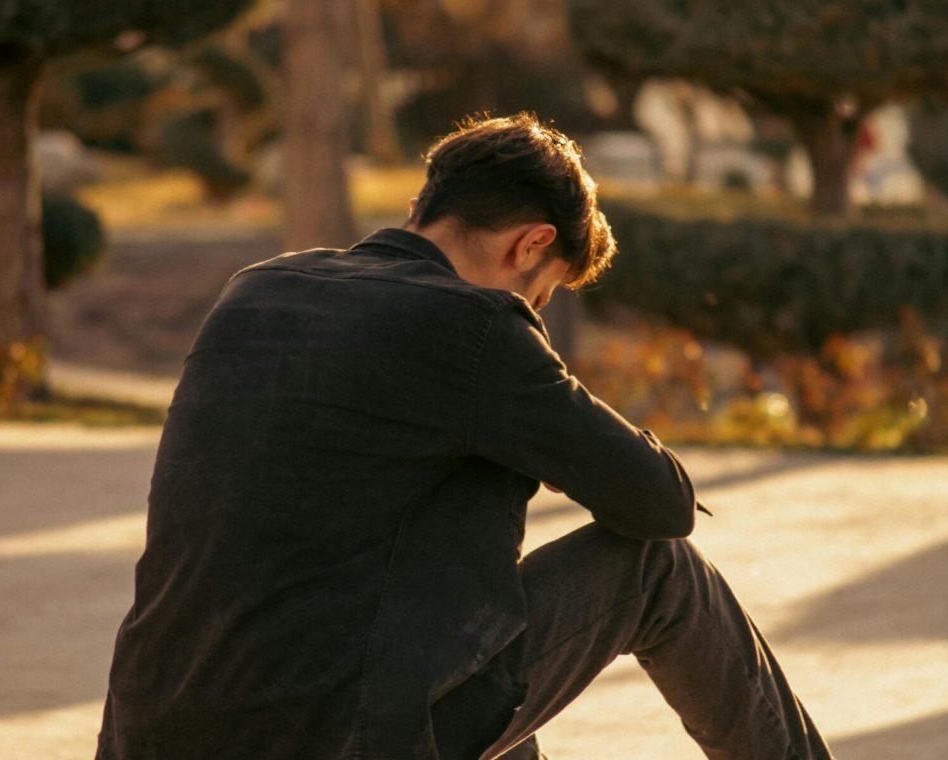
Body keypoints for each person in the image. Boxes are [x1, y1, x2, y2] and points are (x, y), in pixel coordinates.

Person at [97, 112, 834, 760]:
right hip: (339, 738)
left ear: (422, 205)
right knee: (657, 571)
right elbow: (660, 503)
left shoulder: (256, 288)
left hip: (153, 732)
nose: (532, 315)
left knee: (474, 634)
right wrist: (542, 384)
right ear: (531, 244)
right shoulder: (475, 327)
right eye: (540, 297)